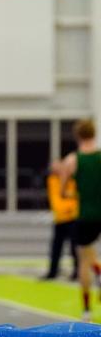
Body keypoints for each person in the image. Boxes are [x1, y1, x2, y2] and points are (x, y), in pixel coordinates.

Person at [57, 119, 101, 321]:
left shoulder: (72, 160)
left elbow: (63, 191)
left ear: (77, 136)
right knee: (91, 257)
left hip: (85, 215)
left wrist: (77, 195)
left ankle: (86, 310)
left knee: (84, 260)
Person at [39, 160, 78, 281]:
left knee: (74, 247)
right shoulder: (52, 180)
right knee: (56, 247)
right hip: (60, 218)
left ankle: (77, 271)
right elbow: (59, 196)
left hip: (72, 217)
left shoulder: (73, 180)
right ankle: (53, 271)